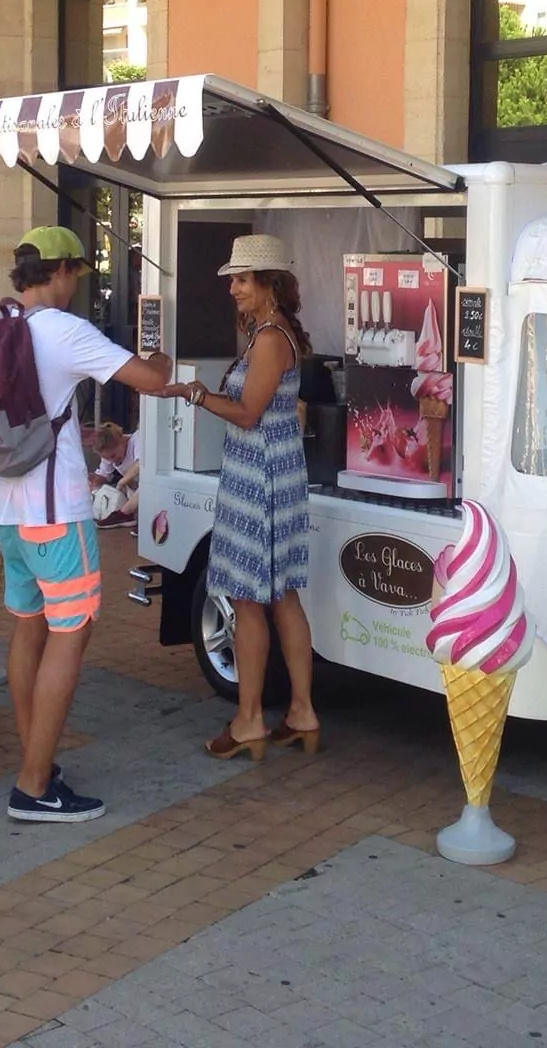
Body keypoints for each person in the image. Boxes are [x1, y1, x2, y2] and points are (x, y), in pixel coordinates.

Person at [0, 226, 175, 824]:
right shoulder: (65, 329)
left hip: (8, 510)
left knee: (27, 629)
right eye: (76, 275)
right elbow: (152, 380)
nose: (77, 288)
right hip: (57, 511)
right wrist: (161, 355)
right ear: (61, 271)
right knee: (73, 634)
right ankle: (34, 784)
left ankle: (34, 758)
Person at [168, 235, 319, 759]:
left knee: (249, 600)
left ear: (268, 285)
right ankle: (300, 711)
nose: (232, 289)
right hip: (271, 474)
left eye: (241, 280)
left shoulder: (271, 338)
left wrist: (196, 394)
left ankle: (250, 719)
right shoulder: (272, 335)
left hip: (260, 479)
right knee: (281, 598)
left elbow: (248, 412)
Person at [88, 421, 138, 527]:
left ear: (121, 441)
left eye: (113, 455)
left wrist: (122, 482)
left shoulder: (137, 439)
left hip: (150, 486)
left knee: (145, 485)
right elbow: (102, 475)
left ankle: (124, 514)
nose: (111, 460)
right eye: (106, 458)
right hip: (133, 491)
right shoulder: (109, 456)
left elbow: (141, 464)